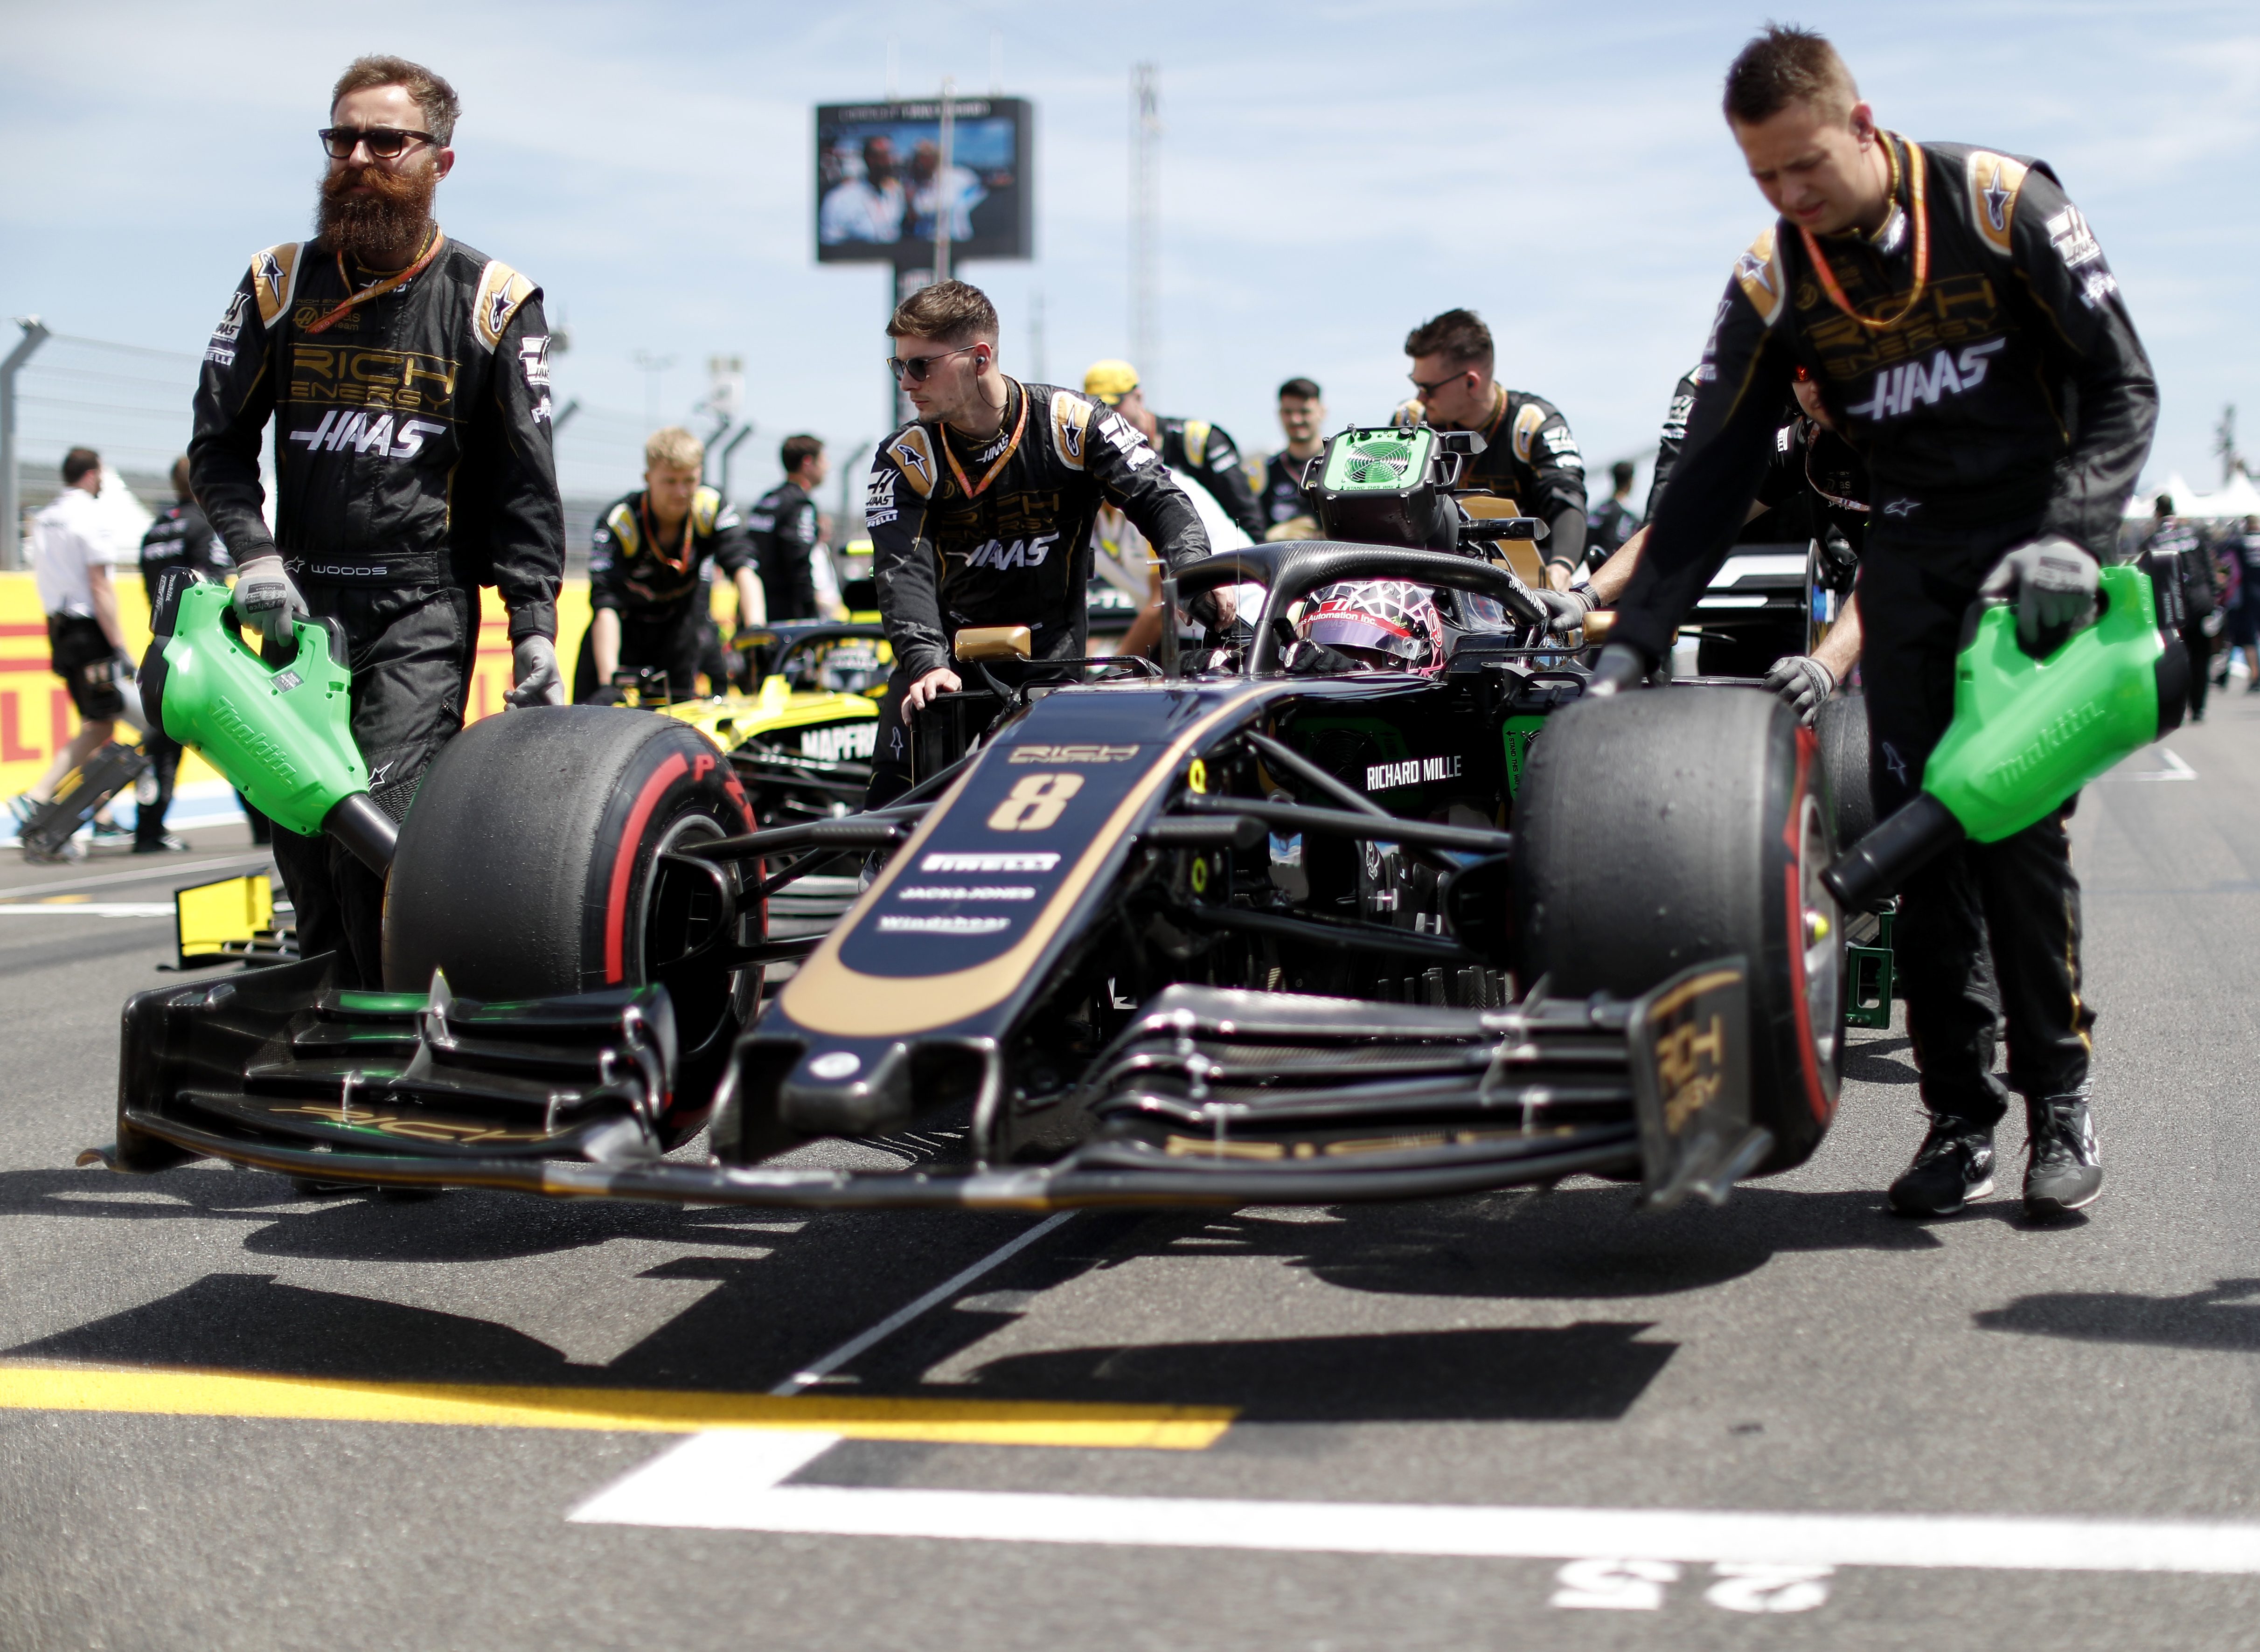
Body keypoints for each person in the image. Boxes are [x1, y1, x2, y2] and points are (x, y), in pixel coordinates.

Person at [1594, 25, 2156, 1219]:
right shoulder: (1774, 276)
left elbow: (2124, 385)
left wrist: (2074, 534)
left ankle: (2060, 1099)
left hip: (2033, 566)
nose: (1791, 194)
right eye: (1764, 177)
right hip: (1906, 570)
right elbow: (1710, 473)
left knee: (2012, 835)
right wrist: (1638, 636)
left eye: (1806, 164)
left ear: (1860, 125)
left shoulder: (2003, 203)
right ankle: (1959, 1126)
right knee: (1917, 844)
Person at [189, 55, 566, 988]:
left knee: (378, 832)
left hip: (420, 608)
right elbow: (217, 450)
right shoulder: (277, 283)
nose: (358, 156)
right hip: (294, 607)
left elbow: (527, 484)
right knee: (308, 856)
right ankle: (329, 1071)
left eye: (384, 140)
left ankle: (402, 1060)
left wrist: (535, 630)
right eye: (342, 137)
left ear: (438, 162)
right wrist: (255, 557)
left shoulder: (493, 300)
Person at [865, 281, 1212, 807]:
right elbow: (900, 569)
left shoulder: (1073, 423)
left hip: (1053, 660)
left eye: (920, 366)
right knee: (890, 817)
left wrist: (1195, 572)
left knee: (1056, 818)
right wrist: (926, 661)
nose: (906, 383)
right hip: (947, 663)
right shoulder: (906, 456)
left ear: (979, 358)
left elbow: (1162, 498)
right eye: (899, 367)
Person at [1396, 309, 1588, 585]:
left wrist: (1561, 567)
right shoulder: (1411, 421)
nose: (1420, 397)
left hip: (1527, 583)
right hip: (1442, 578)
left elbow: (1567, 499)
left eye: (1428, 388)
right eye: (1416, 386)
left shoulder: (1531, 423)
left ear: (1471, 382)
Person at [578, 428, 762, 701]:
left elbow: (744, 570)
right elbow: (606, 605)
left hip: (679, 634)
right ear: (648, 478)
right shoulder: (621, 521)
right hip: (624, 632)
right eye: (670, 481)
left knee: (676, 730)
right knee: (593, 718)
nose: (681, 492)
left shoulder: (710, 507)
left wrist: (757, 636)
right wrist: (609, 682)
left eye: (689, 480)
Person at [16, 448, 133, 842]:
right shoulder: (91, 515)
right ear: (91, 474)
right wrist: (119, 645)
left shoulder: (45, 518)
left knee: (99, 720)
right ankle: (37, 794)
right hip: (87, 630)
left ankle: (101, 813)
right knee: (101, 722)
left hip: (59, 628)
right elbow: (99, 584)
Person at [135, 456, 236, 852]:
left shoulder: (155, 528)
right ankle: (267, 830)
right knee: (239, 735)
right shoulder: (206, 524)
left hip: (163, 645)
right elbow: (212, 586)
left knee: (160, 745)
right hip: (205, 648)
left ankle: (147, 830)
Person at [1084, 361, 1266, 540]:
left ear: (1138, 397)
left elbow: (1246, 512)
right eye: (1099, 408)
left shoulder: (1198, 440)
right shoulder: (1101, 455)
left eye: (1114, 404)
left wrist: (1258, 563)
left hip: (1222, 556)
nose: (1108, 415)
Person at [2142, 496, 2218, 721]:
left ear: (2157, 513)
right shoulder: (2194, 534)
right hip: (2201, 603)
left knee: (2177, 659)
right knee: (2201, 657)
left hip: (2171, 609)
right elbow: (2209, 568)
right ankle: (2199, 708)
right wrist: (2213, 599)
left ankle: (2180, 706)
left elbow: (2148, 579)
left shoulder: (2152, 541)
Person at [746, 435, 829, 624]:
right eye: (824, 460)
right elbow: (799, 559)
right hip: (787, 616)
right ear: (808, 463)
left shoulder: (767, 500)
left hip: (757, 608)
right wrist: (811, 614)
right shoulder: (800, 504)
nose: (827, 467)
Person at [1262, 378, 1327, 538]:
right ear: (1279, 414)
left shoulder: (1342, 468)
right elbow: (1249, 527)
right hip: (1285, 559)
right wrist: (1271, 535)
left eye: (1305, 412)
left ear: (1322, 412)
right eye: (1288, 413)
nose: (1296, 420)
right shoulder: (1266, 472)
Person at [819, 136, 907, 246]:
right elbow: (830, 242)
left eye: (891, 156)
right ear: (869, 159)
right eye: (883, 157)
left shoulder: (896, 193)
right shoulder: (839, 199)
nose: (890, 162)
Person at [2223, 515, 2260, 689]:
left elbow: (2225, 564)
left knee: (2248, 638)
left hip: (2247, 597)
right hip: (2251, 595)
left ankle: (2255, 676)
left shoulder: (2239, 544)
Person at [1585, 461, 1641, 570]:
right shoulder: (1626, 516)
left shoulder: (1600, 510)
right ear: (1631, 482)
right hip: (1612, 571)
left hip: (1591, 570)